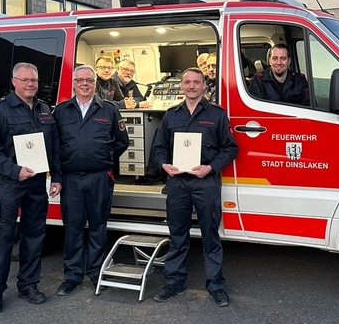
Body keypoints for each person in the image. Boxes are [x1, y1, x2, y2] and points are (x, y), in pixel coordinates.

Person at [150, 67, 238, 307]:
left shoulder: (217, 114)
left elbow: (230, 148)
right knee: (178, 235)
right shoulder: (171, 115)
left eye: (196, 82)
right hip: (178, 183)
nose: (191, 86)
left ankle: (216, 286)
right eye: (187, 82)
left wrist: (211, 167)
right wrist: (164, 165)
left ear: (203, 85)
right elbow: (159, 148)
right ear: (182, 85)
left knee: (210, 235)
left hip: (205, 182)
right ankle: (174, 282)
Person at [0, 62, 61, 314]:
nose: (30, 84)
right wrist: (15, 170)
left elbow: (53, 146)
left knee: (34, 237)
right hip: (9, 184)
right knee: (3, 238)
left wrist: (56, 177)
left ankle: (28, 285)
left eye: (33, 80)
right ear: (14, 82)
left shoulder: (44, 109)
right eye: (24, 80)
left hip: (36, 183)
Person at [50, 65, 129, 296]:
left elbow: (122, 141)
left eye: (89, 80)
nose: (84, 84)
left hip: (99, 178)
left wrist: (104, 159)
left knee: (98, 227)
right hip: (71, 179)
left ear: (95, 84)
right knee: (73, 228)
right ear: (73, 83)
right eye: (80, 80)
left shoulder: (110, 110)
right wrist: (57, 176)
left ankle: (96, 273)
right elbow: (54, 146)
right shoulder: (61, 111)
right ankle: (72, 276)